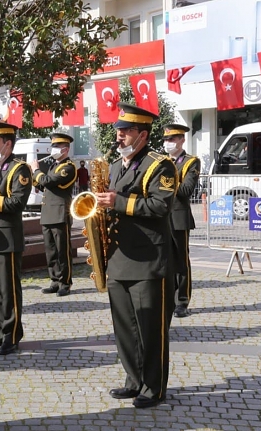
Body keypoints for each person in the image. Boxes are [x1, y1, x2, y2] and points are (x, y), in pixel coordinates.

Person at [95, 103, 177, 409]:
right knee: (125, 327)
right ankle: (133, 379)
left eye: (126, 131)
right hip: (119, 257)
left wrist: (118, 202)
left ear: (142, 134)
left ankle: (153, 387)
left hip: (147, 261)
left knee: (150, 329)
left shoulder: (160, 165)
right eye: (118, 130)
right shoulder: (115, 166)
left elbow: (160, 206)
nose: (119, 136)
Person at [0, 121, 32, 356]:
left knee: (9, 289)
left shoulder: (19, 169)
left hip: (8, 239)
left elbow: (16, 203)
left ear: (8, 144)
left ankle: (12, 335)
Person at [30, 133, 77, 297]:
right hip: (48, 212)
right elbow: (46, 186)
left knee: (62, 250)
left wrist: (36, 171)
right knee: (50, 250)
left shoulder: (68, 167)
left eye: (57, 146)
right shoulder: (52, 166)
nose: (54, 149)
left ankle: (65, 282)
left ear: (66, 148)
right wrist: (34, 178)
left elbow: (49, 182)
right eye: (53, 146)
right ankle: (55, 280)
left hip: (59, 213)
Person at [163, 123, 200, 319]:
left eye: (172, 139)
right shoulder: (162, 161)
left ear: (182, 140)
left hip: (178, 217)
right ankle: (169, 298)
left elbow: (186, 190)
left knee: (181, 261)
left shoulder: (190, 162)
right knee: (165, 261)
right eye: (166, 139)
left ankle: (182, 301)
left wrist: (165, 181)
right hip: (161, 217)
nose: (168, 143)